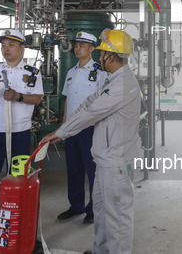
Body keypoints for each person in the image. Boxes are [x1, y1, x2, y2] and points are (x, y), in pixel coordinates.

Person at [42, 29, 141, 254]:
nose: (99, 57)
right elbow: (90, 101)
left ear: (111, 57)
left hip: (114, 159)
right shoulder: (116, 79)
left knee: (117, 215)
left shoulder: (122, 85)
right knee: (103, 210)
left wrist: (61, 132)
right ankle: (101, 250)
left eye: (102, 53)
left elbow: (91, 112)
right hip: (106, 156)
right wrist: (66, 127)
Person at [0, 29, 44, 250]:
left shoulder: (32, 72)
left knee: (22, 183)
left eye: (10, 44)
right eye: (3, 44)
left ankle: (24, 229)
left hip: (19, 134)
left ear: (22, 48)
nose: (5, 48)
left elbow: (37, 98)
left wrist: (18, 96)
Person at [57, 31, 107, 224]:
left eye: (82, 46)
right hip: (71, 129)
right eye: (76, 45)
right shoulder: (70, 72)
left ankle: (93, 208)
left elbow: (104, 102)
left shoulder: (101, 73)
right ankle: (75, 205)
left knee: (92, 169)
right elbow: (68, 99)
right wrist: (64, 125)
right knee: (74, 169)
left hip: (90, 128)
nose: (77, 48)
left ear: (92, 49)